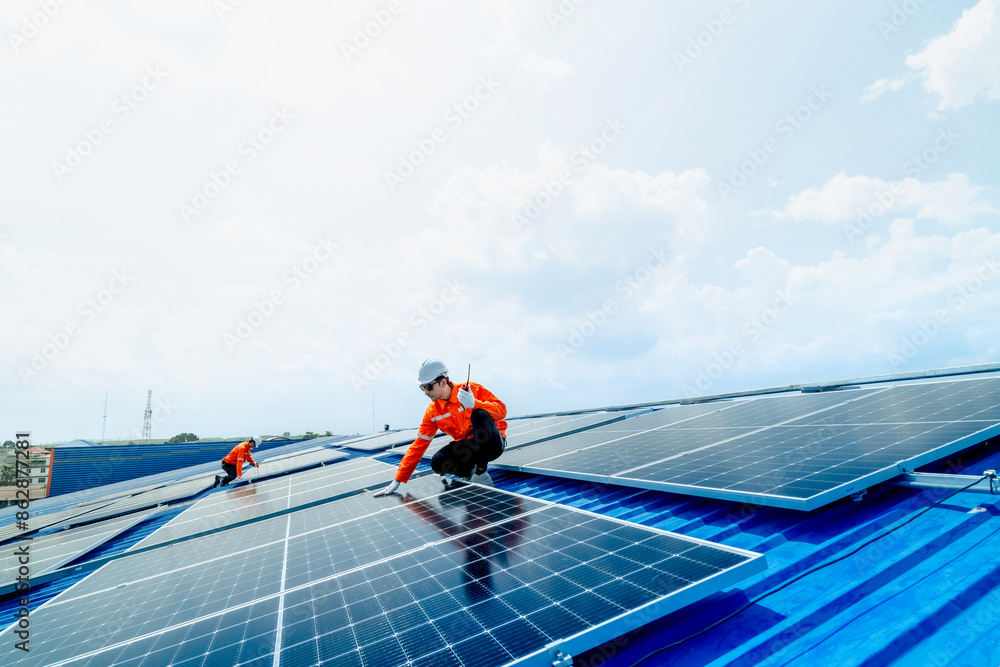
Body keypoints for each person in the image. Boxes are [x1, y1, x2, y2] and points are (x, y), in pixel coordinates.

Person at [375, 358, 507, 497]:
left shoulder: (472, 389)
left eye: (429, 387)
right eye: (423, 387)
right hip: (470, 448)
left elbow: (502, 412)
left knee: (479, 414)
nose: (426, 392)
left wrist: (475, 403)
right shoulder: (433, 412)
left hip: (492, 444)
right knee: (438, 462)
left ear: (443, 382)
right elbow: (419, 444)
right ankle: (470, 473)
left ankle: (481, 471)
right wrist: (399, 478)